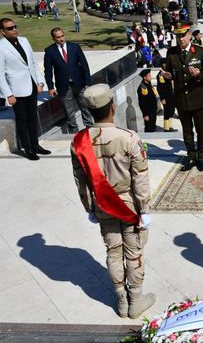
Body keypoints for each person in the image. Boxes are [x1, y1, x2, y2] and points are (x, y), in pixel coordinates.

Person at [71, 84, 155, 319]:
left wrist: (89, 206)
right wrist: (144, 210)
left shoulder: (79, 142)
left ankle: (121, 299)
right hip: (128, 206)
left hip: (103, 205)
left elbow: (81, 179)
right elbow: (140, 179)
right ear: (112, 106)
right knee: (133, 250)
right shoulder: (128, 138)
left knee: (113, 251)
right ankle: (136, 300)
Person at [0, 18, 51, 160]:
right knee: (22, 119)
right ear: (2, 32)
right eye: (10, 28)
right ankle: (28, 149)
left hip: (31, 86)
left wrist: (40, 83)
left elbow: (32, 64)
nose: (14, 29)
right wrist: (8, 94)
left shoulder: (24, 41)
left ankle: (36, 145)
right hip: (16, 91)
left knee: (32, 117)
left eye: (15, 26)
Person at [163, 22, 203, 172]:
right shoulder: (171, 53)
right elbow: (171, 73)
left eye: (183, 35)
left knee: (201, 129)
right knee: (187, 131)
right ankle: (191, 156)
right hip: (181, 98)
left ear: (189, 34)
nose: (180, 39)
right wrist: (167, 76)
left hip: (198, 97)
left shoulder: (201, 51)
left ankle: (201, 157)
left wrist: (199, 75)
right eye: (178, 36)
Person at [44, 27, 93, 133]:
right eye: (58, 37)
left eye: (62, 36)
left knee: (85, 107)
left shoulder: (74, 47)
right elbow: (48, 71)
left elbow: (84, 65)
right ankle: (74, 132)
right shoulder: (50, 51)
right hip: (63, 86)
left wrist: (87, 82)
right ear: (53, 38)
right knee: (69, 111)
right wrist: (50, 87)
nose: (61, 39)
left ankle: (90, 128)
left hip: (79, 83)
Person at [156, 59, 177, 132]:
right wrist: (162, 98)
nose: (165, 65)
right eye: (163, 64)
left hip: (171, 95)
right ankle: (166, 128)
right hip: (165, 96)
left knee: (172, 110)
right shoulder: (160, 75)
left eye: (166, 64)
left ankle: (170, 126)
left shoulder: (169, 72)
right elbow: (159, 88)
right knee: (167, 111)